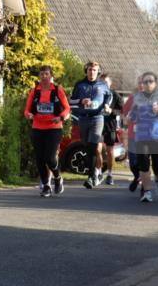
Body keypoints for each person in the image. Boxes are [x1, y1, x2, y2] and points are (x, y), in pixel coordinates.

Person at [23, 65, 71, 197]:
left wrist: (60, 117)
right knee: (39, 159)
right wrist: (29, 115)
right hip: (37, 127)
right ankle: (46, 185)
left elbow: (67, 108)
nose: (44, 76)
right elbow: (27, 110)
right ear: (39, 76)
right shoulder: (35, 91)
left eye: (46, 74)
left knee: (50, 158)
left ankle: (57, 177)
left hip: (54, 128)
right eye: (42, 74)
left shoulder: (57, 90)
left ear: (50, 76)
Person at [127, 71, 158, 202]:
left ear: (155, 83)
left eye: (150, 81)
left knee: (157, 164)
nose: (147, 84)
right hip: (142, 135)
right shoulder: (137, 97)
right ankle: (147, 192)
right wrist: (131, 116)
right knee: (143, 163)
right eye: (144, 82)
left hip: (157, 135)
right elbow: (134, 114)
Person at [69, 61, 112, 189]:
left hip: (97, 118)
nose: (92, 72)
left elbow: (109, 97)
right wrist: (81, 101)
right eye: (89, 70)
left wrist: (106, 105)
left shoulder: (103, 85)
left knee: (93, 147)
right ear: (86, 71)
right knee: (87, 148)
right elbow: (71, 101)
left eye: (94, 70)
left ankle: (91, 177)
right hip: (83, 119)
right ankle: (95, 175)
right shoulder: (80, 85)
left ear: (98, 72)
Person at [100, 74, 123, 185]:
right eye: (102, 82)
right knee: (97, 149)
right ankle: (98, 172)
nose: (104, 84)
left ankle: (109, 174)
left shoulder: (115, 95)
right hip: (98, 124)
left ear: (110, 83)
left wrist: (112, 111)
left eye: (106, 82)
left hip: (110, 125)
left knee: (110, 151)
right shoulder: (96, 93)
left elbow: (121, 110)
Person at [123, 75, 143, 193]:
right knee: (133, 162)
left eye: (143, 82)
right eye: (139, 82)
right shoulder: (132, 97)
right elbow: (124, 113)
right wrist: (127, 117)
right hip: (132, 135)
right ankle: (137, 177)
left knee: (143, 162)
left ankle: (144, 188)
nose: (141, 85)